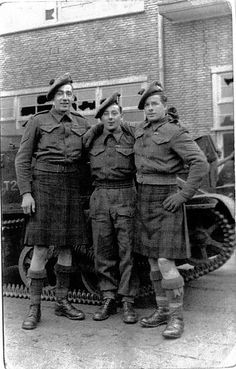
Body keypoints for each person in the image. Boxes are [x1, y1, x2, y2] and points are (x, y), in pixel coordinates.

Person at [84, 81, 209, 338]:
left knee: (165, 260)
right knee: (153, 261)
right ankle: (162, 310)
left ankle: (176, 318)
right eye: (146, 105)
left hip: (166, 198)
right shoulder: (140, 129)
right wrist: (101, 118)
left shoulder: (175, 132)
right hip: (144, 198)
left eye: (155, 104)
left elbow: (200, 163)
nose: (150, 109)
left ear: (165, 106)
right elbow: (112, 120)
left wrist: (184, 194)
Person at [15, 73, 90, 330]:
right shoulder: (38, 121)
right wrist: (26, 192)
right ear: (53, 98)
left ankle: (62, 301)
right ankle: (34, 308)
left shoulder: (82, 122)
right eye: (61, 94)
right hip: (44, 184)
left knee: (68, 247)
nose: (66, 98)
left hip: (71, 185)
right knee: (41, 248)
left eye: (69, 94)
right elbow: (22, 159)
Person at [88, 92, 138, 324]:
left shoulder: (132, 136)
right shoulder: (92, 139)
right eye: (106, 114)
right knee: (103, 250)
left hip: (125, 193)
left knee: (126, 251)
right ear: (100, 118)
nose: (110, 118)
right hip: (100, 196)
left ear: (121, 115)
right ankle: (108, 298)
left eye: (114, 113)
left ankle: (127, 300)